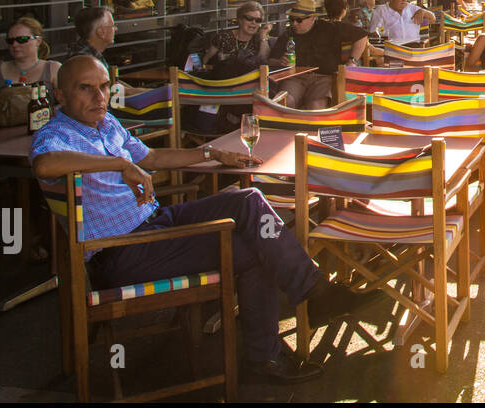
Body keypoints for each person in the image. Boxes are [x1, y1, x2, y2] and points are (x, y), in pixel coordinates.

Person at [31, 55, 376, 383]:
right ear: (60, 94)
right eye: (85, 88)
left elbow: (150, 156)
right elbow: (45, 164)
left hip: (154, 224)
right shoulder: (56, 134)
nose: (99, 96)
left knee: (249, 202)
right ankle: (272, 347)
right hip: (122, 251)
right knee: (257, 251)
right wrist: (120, 164)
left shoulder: (105, 123)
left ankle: (311, 294)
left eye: (104, 86)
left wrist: (210, 152)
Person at [267, 0, 368, 108]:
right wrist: (280, 61)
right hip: (296, 77)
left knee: (315, 105)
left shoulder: (330, 28)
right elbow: (271, 60)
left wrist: (352, 60)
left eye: (299, 20)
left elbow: (362, 36)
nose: (294, 23)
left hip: (324, 77)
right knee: (285, 102)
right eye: (291, 19)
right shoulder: (288, 34)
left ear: (312, 18)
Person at [0, 16, 60, 114]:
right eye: (10, 41)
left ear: (38, 41)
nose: (15, 45)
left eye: (22, 39)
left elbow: (68, 103)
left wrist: (43, 114)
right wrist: (1, 117)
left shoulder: (53, 68)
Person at [202, 0, 272, 76]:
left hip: (249, 81)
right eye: (249, 18)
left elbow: (263, 61)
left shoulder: (259, 39)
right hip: (223, 80)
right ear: (240, 19)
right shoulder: (224, 37)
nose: (254, 22)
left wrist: (263, 36)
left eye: (258, 20)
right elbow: (206, 60)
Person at [369, 0, 436, 44]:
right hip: (393, 50)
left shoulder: (411, 8)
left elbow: (433, 19)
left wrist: (423, 11)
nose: (404, 0)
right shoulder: (381, 10)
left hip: (415, 48)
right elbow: (374, 32)